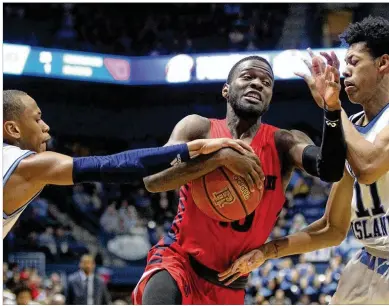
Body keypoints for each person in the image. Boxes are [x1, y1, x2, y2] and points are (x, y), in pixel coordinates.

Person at [132, 55, 347, 304]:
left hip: (230, 283)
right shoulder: (198, 129)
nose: (257, 84)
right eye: (247, 77)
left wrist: (331, 108)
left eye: (266, 82)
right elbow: (152, 180)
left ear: (269, 100)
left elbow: (330, 169)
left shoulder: (283, 143)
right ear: (226, 89)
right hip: (177, 261)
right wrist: (218, 159)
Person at [219, 16, 389, 304]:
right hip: (367, 263)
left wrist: (331, 108)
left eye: (354, 62)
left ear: (383, 63)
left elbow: (369, 168)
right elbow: (332, 228)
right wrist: (266, 251)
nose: (345, 72)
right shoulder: (354, 125)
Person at [3, 90, 255, 238]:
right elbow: (112, 166)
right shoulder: (26, 166)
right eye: (37, 119)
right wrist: (191, 148)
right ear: (13, 129)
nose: (46, 126)